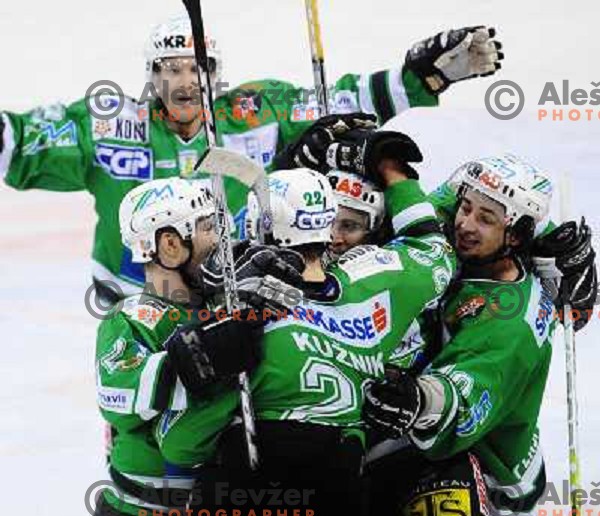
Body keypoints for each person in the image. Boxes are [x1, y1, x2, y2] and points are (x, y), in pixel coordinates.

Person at [0, 15, 502, 300]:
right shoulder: (108, 127)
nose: (184, 81)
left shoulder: (254, 111)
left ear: (215, 73)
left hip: (234, 295)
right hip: (138, 308)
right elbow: (20, 142)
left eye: (196, 67)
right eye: (169, 69)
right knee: (146, 440)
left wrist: (421, 78)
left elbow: (334, 106)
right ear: (151, 75)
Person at [154, 132, 455, 516]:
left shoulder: (248, 315)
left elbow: (179, 445)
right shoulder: (375, 286)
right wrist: (396, 175)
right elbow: (434, 251)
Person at [362, 154, 597, 516]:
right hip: (426, 465)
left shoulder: (509, 323)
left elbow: (463, 400)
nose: (465, 224)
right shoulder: (485, 240)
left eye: (485, 219)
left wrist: (417, 399)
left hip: (493, 484)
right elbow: (446, 200)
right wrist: (382, 159)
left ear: (515, 235)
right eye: (467, 208)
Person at [87, 176, 265, 516]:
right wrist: (195, 355)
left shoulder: (227, 307)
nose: (221, 237)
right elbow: (119, 396)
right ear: (169, 245)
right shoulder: (131, 316)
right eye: (207, 227)